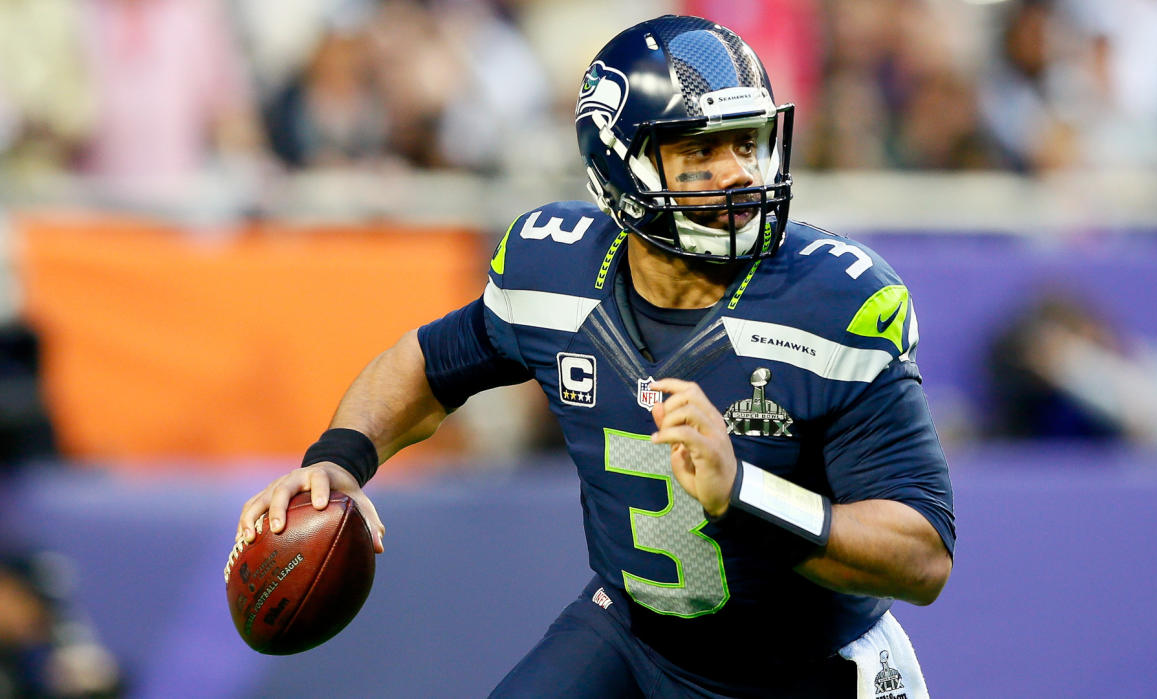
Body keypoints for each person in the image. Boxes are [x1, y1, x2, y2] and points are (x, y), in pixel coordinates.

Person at [236, 15, 954, 697]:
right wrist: (338, 460)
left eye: (747, 142)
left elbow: (922, 556)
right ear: (621, 167)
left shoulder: (834, 302)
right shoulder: (555, 272)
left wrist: (741, 491)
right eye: (701, 150)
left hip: (804, 665)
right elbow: (423, 367)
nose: (738, 171)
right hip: (635, 638)